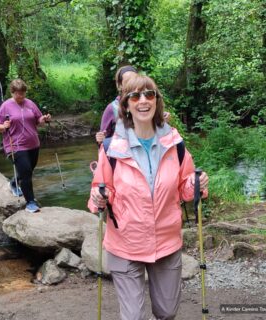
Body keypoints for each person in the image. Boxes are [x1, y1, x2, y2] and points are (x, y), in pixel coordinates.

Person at [88, 74, 208, 320]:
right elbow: (99, 189)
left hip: (165, 241)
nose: (143, 100)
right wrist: (99, 197)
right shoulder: (111, 148)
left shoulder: (174, 143)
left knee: (166, 312)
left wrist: (196, 184)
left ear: (156, 101)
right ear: (126, 105)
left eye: (149, 94)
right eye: (135, 96)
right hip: (125, 243)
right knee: (133, 317)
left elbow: (185, 187)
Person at [0, 79, 51, 213]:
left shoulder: (30, 103)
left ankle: (14, 183)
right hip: (15, 145)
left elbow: (38, 120)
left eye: (23, 93)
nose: (21, 96)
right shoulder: (6, 106)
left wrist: (44, 119)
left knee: (28, 170)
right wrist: (4, 126)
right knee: (26, 173)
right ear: (12, 92)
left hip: (33, 143)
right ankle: (30, 202)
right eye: (18, 93)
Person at [95, 65, 171, 144]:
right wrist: (101, 141)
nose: (132, 82)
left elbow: (158, 130)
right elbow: (103, 140)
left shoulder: (147, 102)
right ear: (120, 85)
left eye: (134, 79)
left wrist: (163, 121)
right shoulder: (112, 108)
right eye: (128, 80)